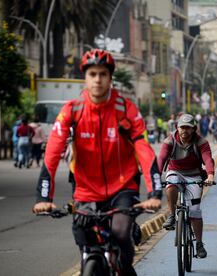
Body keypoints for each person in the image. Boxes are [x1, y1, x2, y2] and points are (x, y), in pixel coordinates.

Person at [32, 49, 162, 275]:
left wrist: (154, 194)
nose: (98, 79)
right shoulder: (72, 110)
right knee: (83, 236)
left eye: (103, 74)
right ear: (85, 77)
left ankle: (124, 265)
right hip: (86, 191)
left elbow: (144, 150)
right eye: (93, 73)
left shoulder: (125, 109)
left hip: (123, 188)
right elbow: (52, 152)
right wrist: (44, 197)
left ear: (110, 78)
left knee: (121, 234)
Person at [158, 113, 215, 259]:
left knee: (195, 211)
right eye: (182, 127)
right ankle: (172, 215)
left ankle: (199, 243)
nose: (185, 131)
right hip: (175, 171)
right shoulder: (169, 141)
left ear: (194, 129)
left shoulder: (201, 142)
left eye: (188, 128)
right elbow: (161, 159)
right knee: (171, 185)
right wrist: (156, 177)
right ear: (177, 128)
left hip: (194, 175)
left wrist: (210, 175)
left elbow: (208, 159)